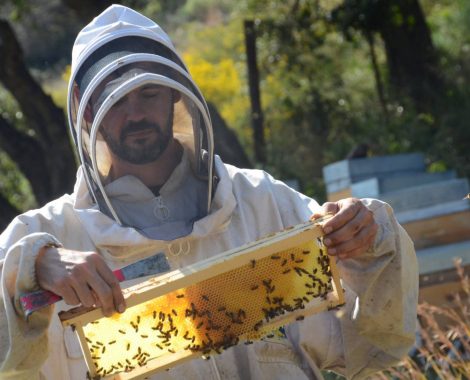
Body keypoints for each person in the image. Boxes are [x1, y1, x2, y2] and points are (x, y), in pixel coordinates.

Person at [0, 5, 418, 380]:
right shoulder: (43, 233)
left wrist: (369, 238)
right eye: (117, 100)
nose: (136, 114)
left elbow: (375, 345)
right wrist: (29, 271)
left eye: (149, 93)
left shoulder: (262, 199)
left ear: (174, 95)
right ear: (88, 111)